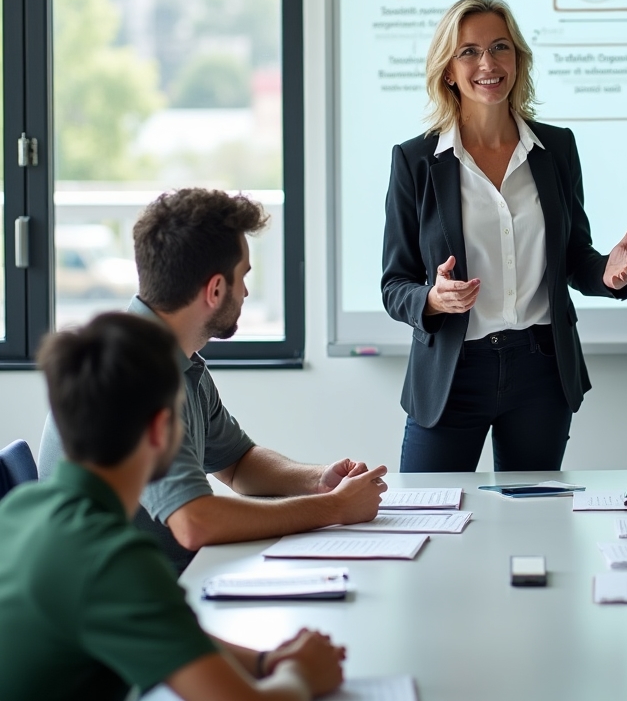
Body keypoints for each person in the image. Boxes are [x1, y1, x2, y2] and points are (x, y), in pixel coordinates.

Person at [0, 312, 346, 701]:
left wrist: (267, 661)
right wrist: (302, 673)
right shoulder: (113, 559)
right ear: (159, 429)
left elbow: (169, 632)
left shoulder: (19, 509)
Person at [39, 188, 387, 571]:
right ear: (215, 290)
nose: (246, 292)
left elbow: (237, 464)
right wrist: (334, 508)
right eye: (243, 278)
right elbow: (195, 524)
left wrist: (319, 480)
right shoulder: (129, 371)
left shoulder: (175, 358)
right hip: (116, 602)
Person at [382, 0, 627, 473]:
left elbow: (572, 258)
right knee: (428, 517)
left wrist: (607, 272)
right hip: (452, 372)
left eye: (501, 47)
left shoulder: (557, 148)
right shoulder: (415, 161)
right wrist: (433, 300)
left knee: (534, 523)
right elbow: (394, 284)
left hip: (540, 368)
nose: (488, 62)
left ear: (518, 59)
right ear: (448, 70)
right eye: (469, 51)